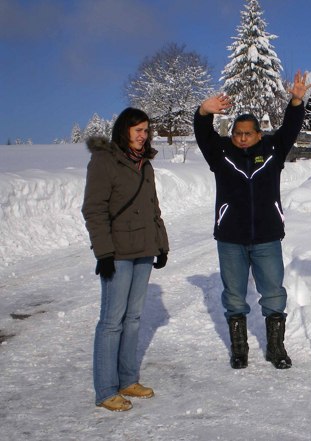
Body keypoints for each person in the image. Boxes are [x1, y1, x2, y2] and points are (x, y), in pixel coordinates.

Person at [193, 71, 311, 370]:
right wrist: (203, 112)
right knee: (234, 296)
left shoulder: (273, 151)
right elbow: (203, 134)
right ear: (231, 134)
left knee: (273, 293)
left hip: (267, 237)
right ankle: (239, 349)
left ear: (259, 134)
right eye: (237, 133)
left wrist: (296, 100)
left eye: (248, 133)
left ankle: (276, 348)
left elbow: (290, 128)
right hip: (230, 239)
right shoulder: (221, 154)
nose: (242, 138)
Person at [82, 107, 169, 412]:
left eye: (146, 130)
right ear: (124, 130)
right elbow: (94, 210)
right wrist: (103, 253)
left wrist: (161, 244)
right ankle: (106, 390)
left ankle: (127, 379)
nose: (143, 136)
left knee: (132, 319)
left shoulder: (146, 165)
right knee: (111, 322)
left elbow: (152, 207)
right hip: (117, 253)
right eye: (138, 130)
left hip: (144, 249)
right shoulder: (105, 161)